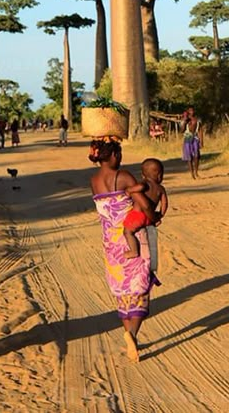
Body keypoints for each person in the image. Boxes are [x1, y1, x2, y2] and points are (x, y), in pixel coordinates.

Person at [90, 137, 160, 362]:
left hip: (111, 243)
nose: (120, 157)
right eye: (118, 153)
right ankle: (132, 334)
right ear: (111, 155)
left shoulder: (94, 181)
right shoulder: (124, 177)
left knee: (122, 291)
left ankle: (129, 333)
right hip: (134, 237)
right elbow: (146, 204)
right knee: (140, 288)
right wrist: (154, 217)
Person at [123, 158, 168, 259]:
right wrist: (160, 214)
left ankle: (133, 251)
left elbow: (140, 188)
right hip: (149, 218)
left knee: (128, 232)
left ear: (143, 175)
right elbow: (165, 203)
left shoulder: (145, 183)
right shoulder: (161, 189)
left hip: (137, 215)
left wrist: (129, 190)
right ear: (160, 175)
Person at [180, 106, 204, 179]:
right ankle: (192, 174)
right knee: (189, 157)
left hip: (195, 139)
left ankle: (196, 172)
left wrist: (201, 141)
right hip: (187, 139)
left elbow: (200, 131)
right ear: (188, 112)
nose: (192, 112)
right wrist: (185, 121)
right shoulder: (185, 120)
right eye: (190, 111)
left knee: (196, 156)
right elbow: (182, 131)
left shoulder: (198, 120)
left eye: (192, 110)